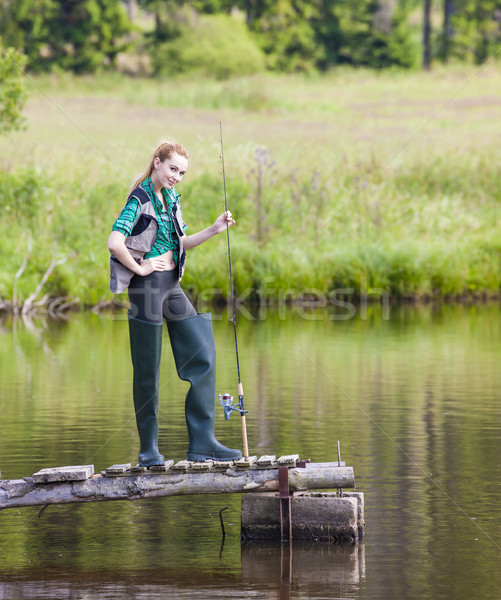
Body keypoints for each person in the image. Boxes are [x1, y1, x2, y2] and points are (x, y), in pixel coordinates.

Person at [108, 141, 242, 467]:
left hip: (170, 286)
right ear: (157, 162)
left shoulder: (170, 198)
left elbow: (178, 242)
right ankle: (148, 452)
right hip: (146, 290)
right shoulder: (140, 198)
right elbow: (115, 242)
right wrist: (140, 268)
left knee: (203, 354)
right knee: (147, 373)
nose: (177, 176)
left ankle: (203, 444)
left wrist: (213, 229)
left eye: (182, 172)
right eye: (173, 169)